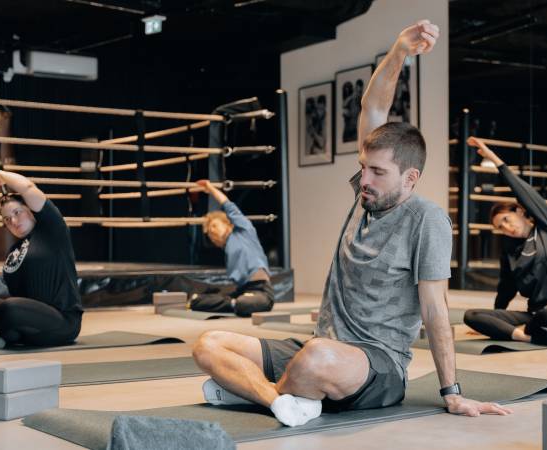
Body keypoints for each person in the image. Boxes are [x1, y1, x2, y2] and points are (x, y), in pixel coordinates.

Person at [191, 20, 510, 428]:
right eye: (363, 168)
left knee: (316, 358)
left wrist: (452, 393)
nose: (365, 180)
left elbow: (435, 310)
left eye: (377, 172)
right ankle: (278, 399)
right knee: (209, 344)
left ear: (409, 178)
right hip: (320, 346)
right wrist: (398, 51)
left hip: (376, 366)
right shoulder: (364, 197)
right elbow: (372, 108)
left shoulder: (426, 220)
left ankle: (253, 390)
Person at [462, 138, 547, 345]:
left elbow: (526, 193)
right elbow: (505, 290)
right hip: (534, 316)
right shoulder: (510, 252)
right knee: (471, 315)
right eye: (500, 228)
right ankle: (524, 336)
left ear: (519, 211)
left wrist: (494, 160)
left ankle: (531, 332)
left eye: (506, 220)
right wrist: (494, 320)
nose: (506, 229)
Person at [0, 169, 82, 350]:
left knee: (10, 308)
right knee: (7, 307)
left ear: (31, 210)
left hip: (62, 321)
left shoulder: (52, 231)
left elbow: (28, 187)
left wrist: (2, 174)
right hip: (29, 320)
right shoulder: (14, 250)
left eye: (17, 212)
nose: (13, 221)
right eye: (7, 219)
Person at [188, 179, 274, 317]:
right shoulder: (227, 249)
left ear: (227, 223)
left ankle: (234, 303)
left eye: (214, 226)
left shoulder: (244, 231)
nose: (212, 232)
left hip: (261, 290)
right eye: (209, 232)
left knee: (244, 302)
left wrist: (210, 189)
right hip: (242, 291)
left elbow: (228, 205)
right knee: (198, 301)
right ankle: (228, 303)